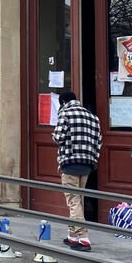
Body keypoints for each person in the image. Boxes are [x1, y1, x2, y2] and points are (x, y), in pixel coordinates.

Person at [52, 91, 103, 252]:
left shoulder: (65, 113)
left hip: (70, 162)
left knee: (73, 200)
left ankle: (83, 237)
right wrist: (93, 159)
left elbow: (58, 137)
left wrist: (54, 137)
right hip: (87, 164)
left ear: (63, 102)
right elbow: (99, 141)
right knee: (78, 199)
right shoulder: (92, 117)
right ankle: (72, 235)